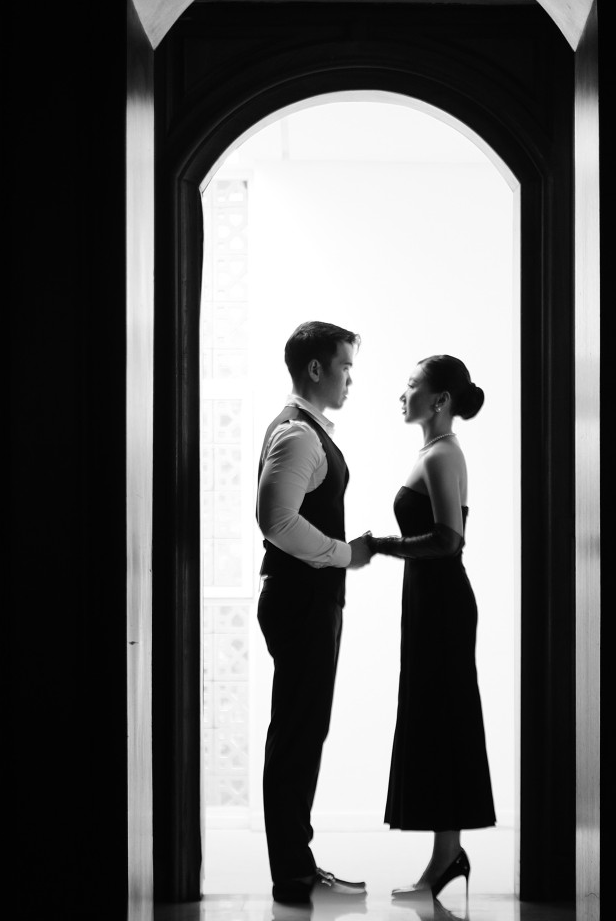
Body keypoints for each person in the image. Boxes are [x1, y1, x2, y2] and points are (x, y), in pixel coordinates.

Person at [365, 355, 496, 903]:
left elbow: (449, 539)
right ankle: (447, 854)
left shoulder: (442, 455)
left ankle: (446, 857)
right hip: (428, 600)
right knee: (436, 719)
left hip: (442, 602)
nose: (403, 394)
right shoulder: (433, 452)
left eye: (412, 385)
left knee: (444, 720)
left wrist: (380, 545)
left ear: (440, 400)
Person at [256, 321, 374, 906]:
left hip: (306, 598)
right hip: (302, 600)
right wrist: (345, 555)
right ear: (315, 369)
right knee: (298, 735)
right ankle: (294, 875)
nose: (351, 379)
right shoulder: (300, 435)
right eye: (346, 366)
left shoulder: (306, 430)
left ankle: (297, 868)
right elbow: (276, 521)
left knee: (302, 732)